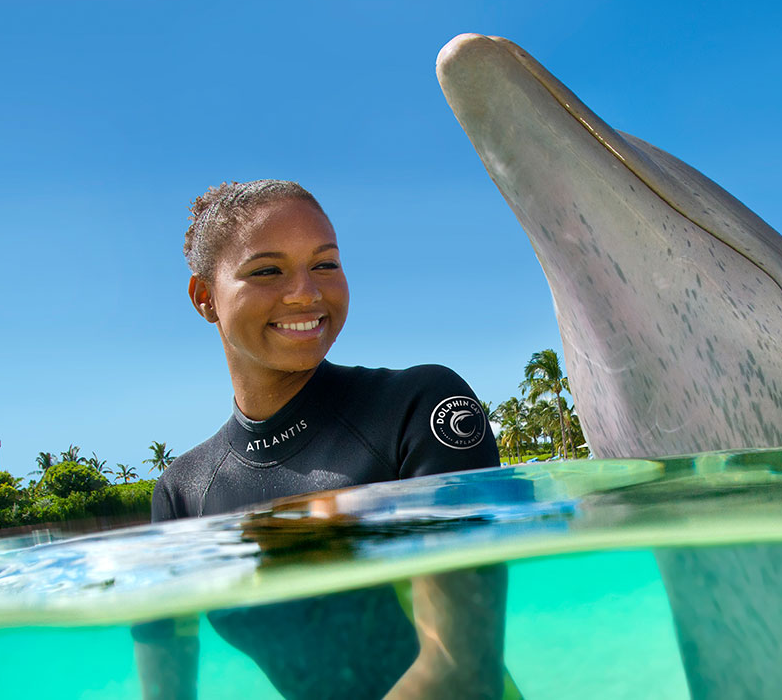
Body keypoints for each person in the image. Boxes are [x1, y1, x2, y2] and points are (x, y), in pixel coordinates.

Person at [132, 180, 506, 700]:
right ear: (205, 298)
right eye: (267, 270)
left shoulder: (418, 408)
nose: (306, 292)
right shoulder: (181, 494)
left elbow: (463, 670)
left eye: (325, 264)